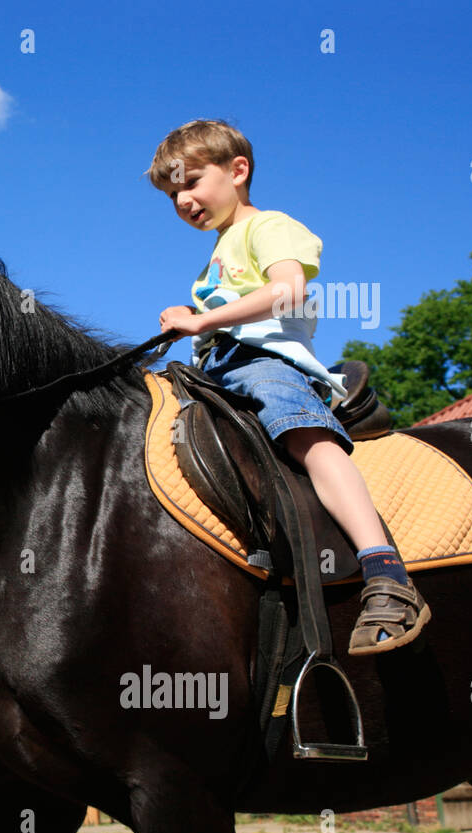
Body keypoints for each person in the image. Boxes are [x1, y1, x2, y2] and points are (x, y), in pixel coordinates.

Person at [145, 119, 429, 655]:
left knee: (306, 438)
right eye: (172, 193)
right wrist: (193, 313)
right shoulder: (221, 249)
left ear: (238, 170)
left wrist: (203, 321)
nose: (183, 200)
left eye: (191, 182)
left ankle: (385, 571)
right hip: (217, 371)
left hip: (265, 364)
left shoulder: (267, 226)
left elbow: (288, 291)